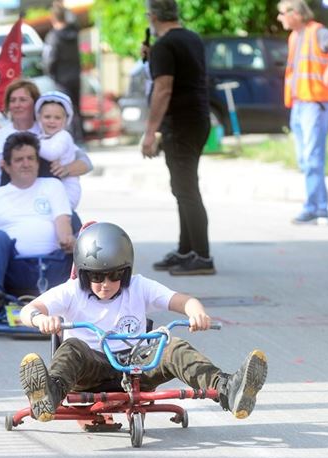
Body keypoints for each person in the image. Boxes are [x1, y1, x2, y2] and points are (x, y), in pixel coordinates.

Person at [17, 221, 268, 422]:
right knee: (71, 348)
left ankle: (228, 389)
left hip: (136, 367)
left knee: (173, 346)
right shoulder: (71, 292)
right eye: (96, 276)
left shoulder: (138, 287)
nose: (105, 283)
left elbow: (182, 300)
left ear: (126, 271)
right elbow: (28, 310)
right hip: (90, 368)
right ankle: (48, 395)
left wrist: (196, 312)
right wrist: (41, 319)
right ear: (83, 273)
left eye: (114, 275)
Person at [0, 79, 92, 301]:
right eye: (13, 100)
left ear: (36, 105)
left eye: (23, 99)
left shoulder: (48, 129)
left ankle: (89, 281)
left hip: (48, 195)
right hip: (4, 193)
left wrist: (67, 168)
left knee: (78, 228)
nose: (18, 104)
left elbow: (86, 162)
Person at [141, 0, 215, 276]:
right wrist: (153, 58)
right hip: (196, 120)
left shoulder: (164, 46)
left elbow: (163, 89)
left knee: (186, 190)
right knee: (183, 188)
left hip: (181, 124)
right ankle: (187, 250)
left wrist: (150, 132)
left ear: (153, 16)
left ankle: (203, 256)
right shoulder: (190, 39)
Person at [0, 131, 75, 315]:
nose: (26, 163)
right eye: (19, 159)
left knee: (86, 237)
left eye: (31, 158)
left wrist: (67, 240)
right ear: (6, 165)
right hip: (14, 271)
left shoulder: (53, 186)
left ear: (38, 162)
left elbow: (63, 222)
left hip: (54, 266)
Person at [277, 0, 328, 225]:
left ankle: (315, 208)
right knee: (305, 159)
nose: (280, 18)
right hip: (300, 103)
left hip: (315, 103)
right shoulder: (295, 37)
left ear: (296, 13)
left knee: (312, 159)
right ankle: (319, 207)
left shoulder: (317, 32)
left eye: (282, 13)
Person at [42, 2, 84, 143]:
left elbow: (50, 59)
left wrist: (50, 73)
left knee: (65, 109)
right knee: (77, 109)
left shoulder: (53, 37)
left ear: (53, 18)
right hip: (75, 76)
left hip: (61, 79)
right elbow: (74, 20)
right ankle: (80, 138)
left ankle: (70, 140)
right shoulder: (74, 33)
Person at [35, 91, 81, 210]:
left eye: (57, 118)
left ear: (66, 120)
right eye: (47, 117)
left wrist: (30, 141)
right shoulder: (40, 137)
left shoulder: (63, 136)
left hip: (67, 189)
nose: (52, 121)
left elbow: (52, 154)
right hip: (51, 188)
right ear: (39, 117)